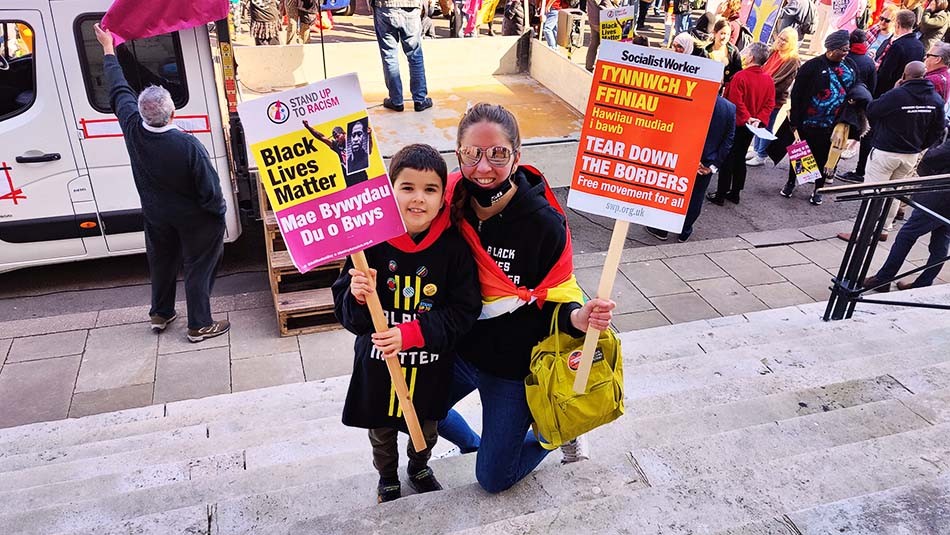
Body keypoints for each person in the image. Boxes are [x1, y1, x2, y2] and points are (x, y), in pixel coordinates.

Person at [438, 103, 616, 493]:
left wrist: (577, 318)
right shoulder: (447, 202)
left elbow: (556, 293)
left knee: (493, 479)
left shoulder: (543, 224)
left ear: (517, 156)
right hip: (463, 348)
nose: (484, 167)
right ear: (458, 155)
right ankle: (475, 446)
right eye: (473, 153)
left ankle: (556, 433)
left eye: (498, 154)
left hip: (513, 363)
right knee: (409, 408)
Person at [331, 144, 481, 503]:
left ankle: (419, 467)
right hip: (378, 366)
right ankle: (387, 477)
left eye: (430, 190)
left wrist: (412, 333)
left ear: (443, 196)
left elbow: (463, 311)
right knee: (381, 431)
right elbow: (348, 317)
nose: (418, 199)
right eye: (407, 188)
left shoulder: (454, 249)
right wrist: (355, 294)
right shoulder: (368, 246)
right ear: (389, 190)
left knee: (427, 427)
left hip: (429, 366)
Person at [94, 24, 230, 342]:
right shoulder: (188, 145)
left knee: (162, 261)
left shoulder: (132, 127)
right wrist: (218, 214)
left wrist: (108, 49)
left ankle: (161, 312)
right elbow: (210, 192)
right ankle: (199, 324)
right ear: (171, 113)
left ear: (142, 113)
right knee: (197, 266)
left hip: (156, 214)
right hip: (194, 219)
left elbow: (118, 89)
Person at [837, 61, 947, 240]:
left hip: (886, 151)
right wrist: (920, 145)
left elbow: (872, 110)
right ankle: (884, 229)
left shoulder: (897, 95)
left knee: (872, 192)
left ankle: (862, 232)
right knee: (895, 193)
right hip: (910, 154)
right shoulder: (935, 99)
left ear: (904, 75)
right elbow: (938, 129)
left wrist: (894, 89)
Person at [840, 9, 924, 182]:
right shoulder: (918, 45)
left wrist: (874, 72)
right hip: (903, 96)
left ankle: (861, 171)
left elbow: (885, 74)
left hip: (886, 94)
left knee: (869, 133)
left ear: (898, 24)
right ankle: (865, 170)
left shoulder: (898, 45)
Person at [861, 136, 950, 291]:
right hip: (942, 196)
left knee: (908, 235)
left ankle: (883, 279)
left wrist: (930, 176)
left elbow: (931, 159)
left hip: (940, 195)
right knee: (941, 241)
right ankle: (923, 283)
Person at [780, 29, 858, 205]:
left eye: (848, 49)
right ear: (831, 49)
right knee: (801, 154)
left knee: (824, 158)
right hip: (809, 121)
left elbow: (857, 85)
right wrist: (795, 120)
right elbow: (798, 94)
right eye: (843, 49)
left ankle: (818, 189)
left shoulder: (850, 66)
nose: (846, 53)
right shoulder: (812, 66)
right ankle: (792, 183)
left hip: (833, 124)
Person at [646, 95, 736, 241]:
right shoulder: (729, 108)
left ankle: (661, 228)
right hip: (706, 164)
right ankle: (685, 230)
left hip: (682, 158)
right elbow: (728, 141)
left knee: (670, 193)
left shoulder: (689, 99)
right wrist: (712, 166)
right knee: (696, 197)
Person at [707, 42, 774, 205]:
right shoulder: (768, 80)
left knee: (728, 157)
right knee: (740, 157)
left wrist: (747, 117)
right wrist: (758, 119)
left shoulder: (741, 76)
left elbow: (735, 102)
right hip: (753, 126)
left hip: (737, 124)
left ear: (751, 57)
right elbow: (770, 103)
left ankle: (721, 194)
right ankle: (735, 192)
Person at [748, 27, 802, 166]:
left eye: (785, 40)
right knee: (758, 123)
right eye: (780, 38)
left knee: (766, 126)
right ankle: (756, 149)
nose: (781, 41)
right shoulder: (773, 52)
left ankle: (762, 154)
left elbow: (781, 83)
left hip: (774, 98)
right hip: (760, 94)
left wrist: (761, 86)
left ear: (792, 43)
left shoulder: (792, 60)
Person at [373, 0, 434, 113]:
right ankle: (420, 100)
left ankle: (396, 101)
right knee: (415, 56)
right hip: (411, 6)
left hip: (385, 7)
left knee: (389, 56)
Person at [700, 18, 744, 87]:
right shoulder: (705, 51)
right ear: (715, 33)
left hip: (726, 91)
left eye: (728, 34)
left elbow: (738, 72)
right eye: (722, 33)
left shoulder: (733, 51)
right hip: (707, 87)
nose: (725, 37)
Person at [586, 0, 622, 72]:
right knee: (608, 46)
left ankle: (589, 67)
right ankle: (604, 70)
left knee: (594, 43)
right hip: (604, 18)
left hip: (593, 17)